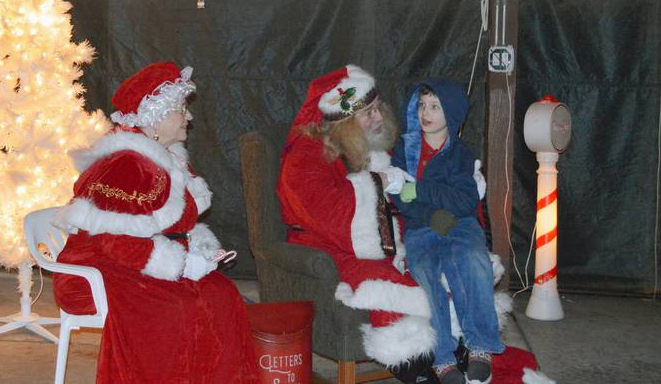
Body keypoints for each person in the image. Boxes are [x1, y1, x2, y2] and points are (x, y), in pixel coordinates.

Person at [52, 62, 260, 383]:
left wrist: (198, 252)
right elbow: (114, 241)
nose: (189, 117)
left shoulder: (167, 158)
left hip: (141, 258)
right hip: (99, 267)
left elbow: (173, 226)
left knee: (221, 294)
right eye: (180, 110)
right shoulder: (125, 165)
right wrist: (181, 264)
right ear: (155, 118)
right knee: (173, 310)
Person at [277, 65, 440, 380]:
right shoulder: (305, 156)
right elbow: (333, 216)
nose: (379, 117)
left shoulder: (367, 145)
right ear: (344, 123)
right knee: (386, 284)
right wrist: (377, 182)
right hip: (326, 248)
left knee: (438, 262)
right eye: (368, 113)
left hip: (384, 242)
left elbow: (406, 199)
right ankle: (417, 367)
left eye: (378, 107)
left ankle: (455, 352)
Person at [389, 80, 505, 384]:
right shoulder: (405, 148)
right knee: (426, 272)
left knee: (472, 260)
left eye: (435, 107)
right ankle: (443, 358)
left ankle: (480, 345)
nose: (426, 113)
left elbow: (466, 199)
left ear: (451, 114)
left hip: (462, 224)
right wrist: (431, 211)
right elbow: (400, 196)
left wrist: (421, 189)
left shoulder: (460, 154)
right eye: (422, 105)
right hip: (421, 226)